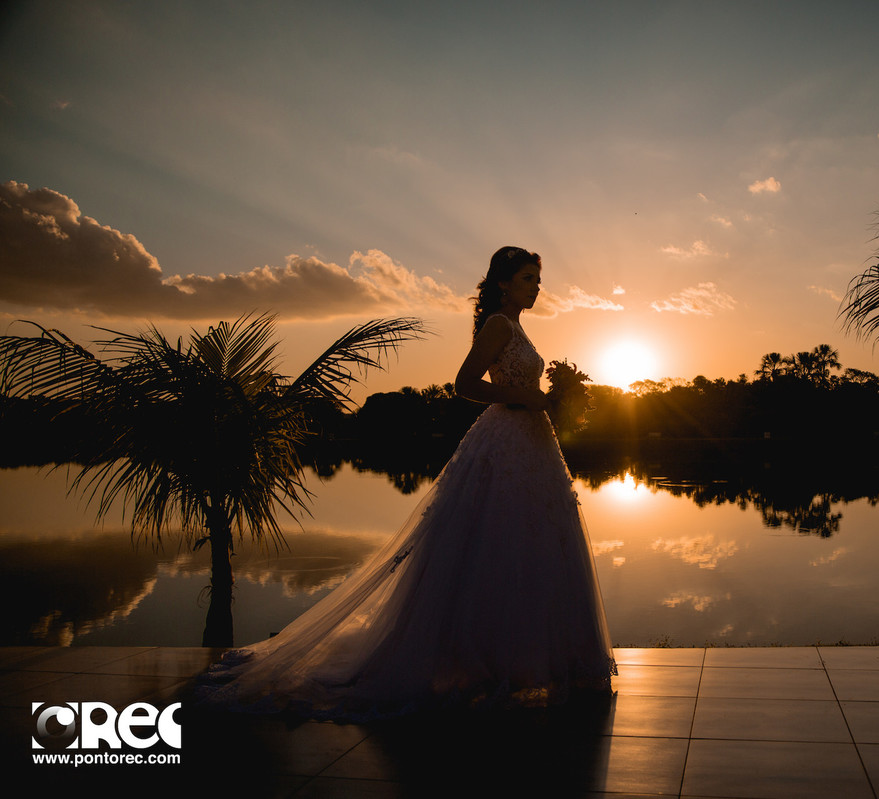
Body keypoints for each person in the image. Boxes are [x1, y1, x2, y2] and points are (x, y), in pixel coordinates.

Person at [195, 246, 616, 719]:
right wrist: (523, 396)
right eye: (526, 278)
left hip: (534, 444)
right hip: (506, 442)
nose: (535, 286)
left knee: (535, 545)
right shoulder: (498, 324)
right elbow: (465, 383)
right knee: (494, 546)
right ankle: (480, 662)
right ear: (503, 283)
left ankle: (527, 662)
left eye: (537, 279)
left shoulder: (518, 327)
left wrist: (555, 401)